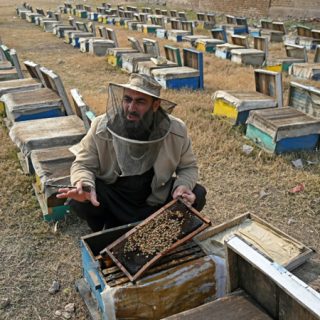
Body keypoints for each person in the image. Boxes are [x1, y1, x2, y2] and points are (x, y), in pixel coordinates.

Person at [57, 74, 206, 231]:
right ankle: (106, 229)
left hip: (154, 197)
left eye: (140, 102)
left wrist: (182, 186)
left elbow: (188, 167)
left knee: (198, 193)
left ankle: (159, 228)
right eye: (127, 99)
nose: (131, 108)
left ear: (155, 105)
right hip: (115, 196)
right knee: (80, 199)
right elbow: (83, 164)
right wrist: (85, 184)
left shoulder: (176, 130)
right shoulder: (101, 126)